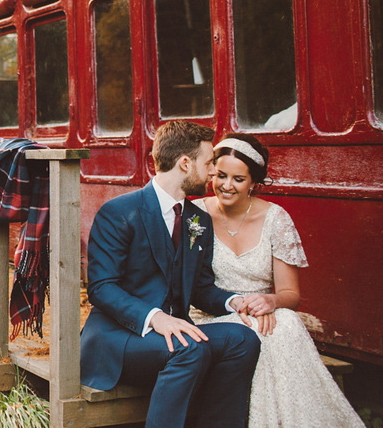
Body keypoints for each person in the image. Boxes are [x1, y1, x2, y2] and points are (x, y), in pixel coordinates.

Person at [80, 120, 261, 428]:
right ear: (185, 163)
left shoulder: (197, 220)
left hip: (174, 338)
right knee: (190, 348)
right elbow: (102, 288)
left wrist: (236, 302)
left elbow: (201, 289)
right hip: (119, 341)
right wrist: (156, 318)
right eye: (208, 164)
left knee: (242, 339)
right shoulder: (119, 212)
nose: (212, 174)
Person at [193, 133, 363, 428]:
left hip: (264, 315)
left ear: (254, 183)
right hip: (211, 315)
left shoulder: (276, 219)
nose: (226, 186)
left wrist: (270, 301)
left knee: (285, 322)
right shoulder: (195, 215)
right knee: (272, 329)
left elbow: (289, 294)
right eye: (220, 175)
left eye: (238, 179)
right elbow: (190, 284)